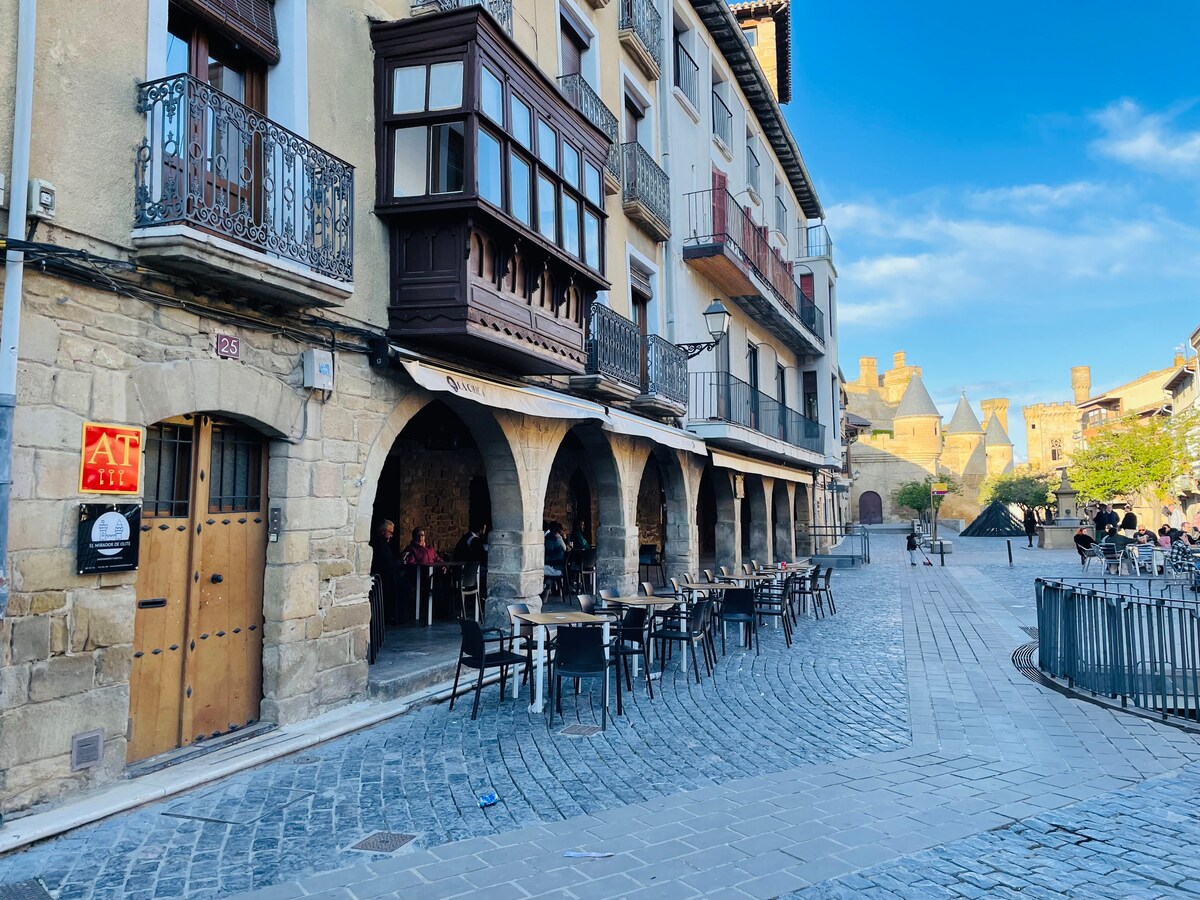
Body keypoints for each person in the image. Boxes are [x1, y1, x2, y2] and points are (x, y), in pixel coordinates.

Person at [403, 527, 445, 617]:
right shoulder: (411, 549)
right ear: (414, 537)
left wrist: (443, 566)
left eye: (422, 535)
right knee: (434, 583)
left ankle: (441, 612)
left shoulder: (430, 549)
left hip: (433, 574)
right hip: (420, 576)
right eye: (418, 535)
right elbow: (410, 563)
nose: (420, 537)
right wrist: (423, 566)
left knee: (445, 579)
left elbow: (438, 559)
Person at [370, 519, 404, 624]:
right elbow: (388, 564)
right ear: (383, 531)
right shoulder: (381, 545)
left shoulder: (381, 544)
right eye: (390, 532)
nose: (391, 536)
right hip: (384, 579)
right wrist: (401, 561)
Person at [543, 521, 568, 597]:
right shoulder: (554, 537)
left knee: (535, 570)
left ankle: (541, 593)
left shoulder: (549, 538)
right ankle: (544, 594)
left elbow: (547, 555)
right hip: (558, 567)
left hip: (555, 568)